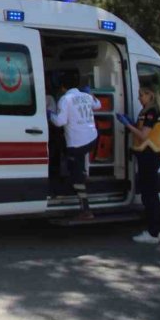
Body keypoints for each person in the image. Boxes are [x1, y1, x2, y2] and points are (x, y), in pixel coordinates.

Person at [48, 71, 100, 220]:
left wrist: (49, 114)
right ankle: (83, 173)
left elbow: (59, 122)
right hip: (92, 139)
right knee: (78, 163)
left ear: (62, 87)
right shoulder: (86, 96)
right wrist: (90, 94)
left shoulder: (65, 99)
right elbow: (98, 105)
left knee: (75, 173)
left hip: (76, 143)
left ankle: (86, 208)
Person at [124, 82, 160, 244]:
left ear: (150, 95)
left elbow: (143, 135)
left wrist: (127, 125)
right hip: (146, 156)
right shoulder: (147, 111)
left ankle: (153, 233)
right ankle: (156, 231)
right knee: (150, 194)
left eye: (142, 95)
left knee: (149, 196)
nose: (139, 98)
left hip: (150, 156)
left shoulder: (152, 112)